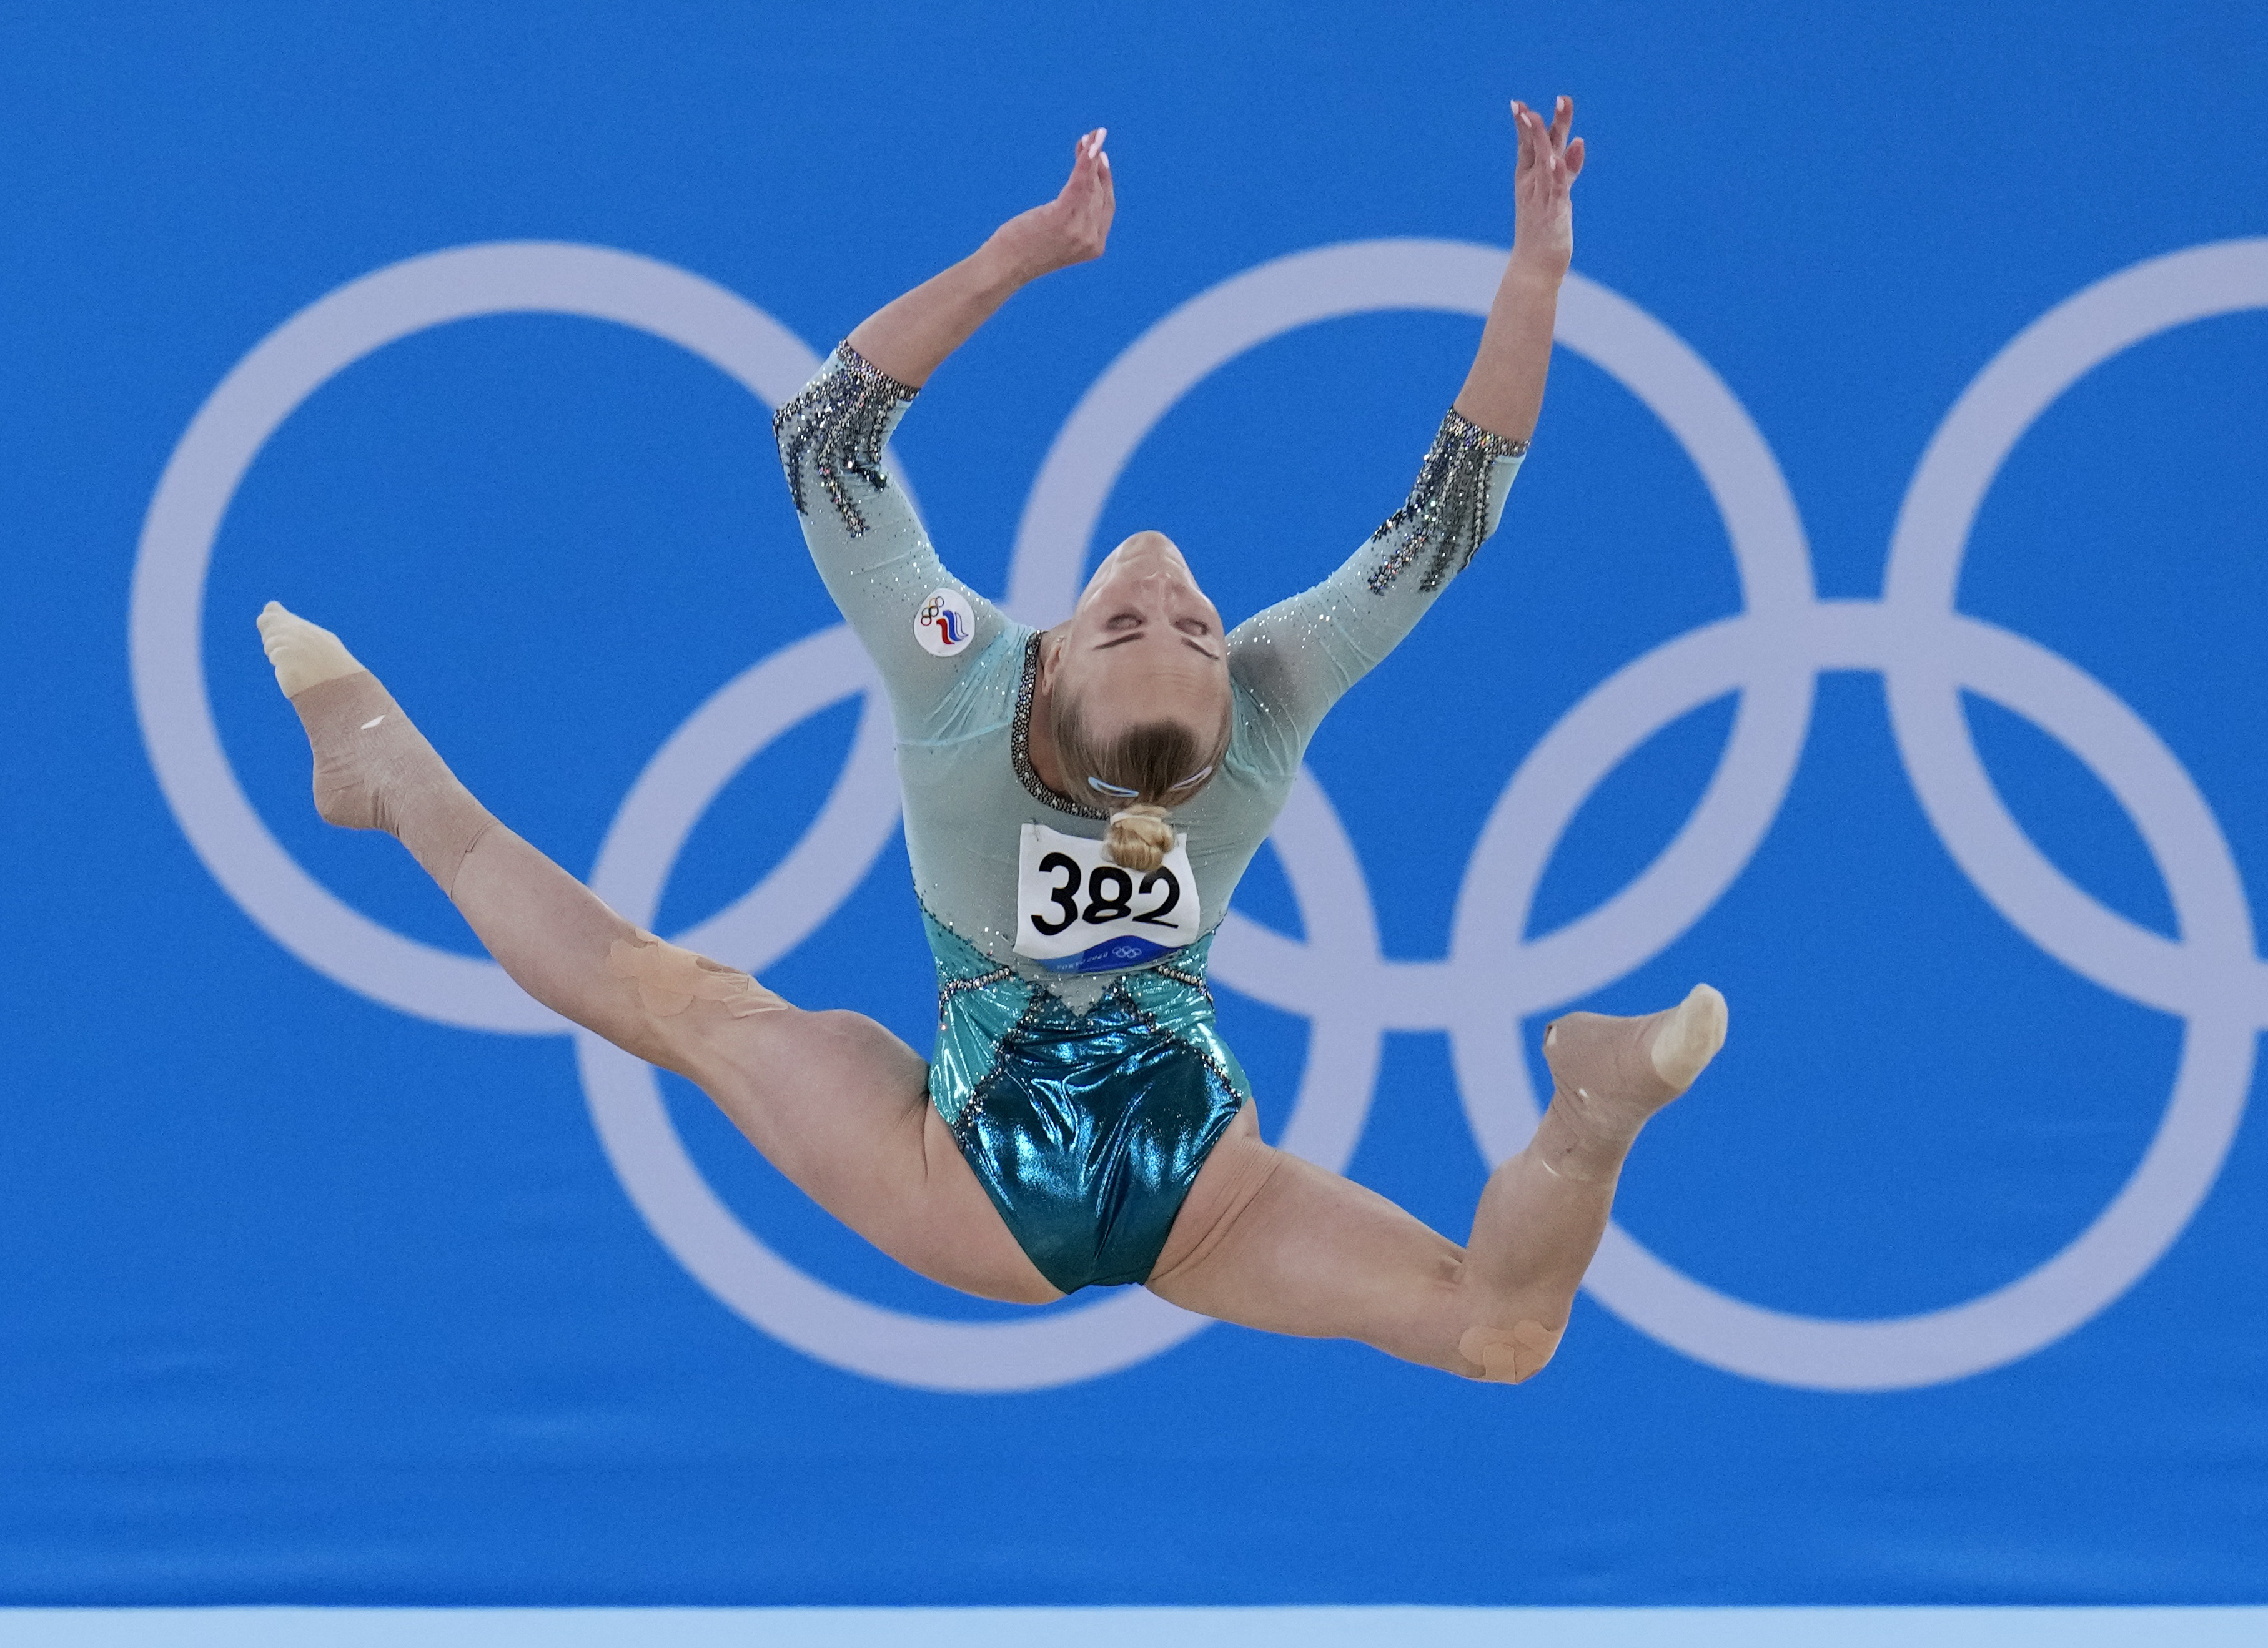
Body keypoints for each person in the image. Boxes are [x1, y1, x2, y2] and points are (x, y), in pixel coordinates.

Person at [256, 97, 1725, 1384]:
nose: (1165, 589)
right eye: (1184, 624)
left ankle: (389, 769)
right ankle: (1591, 1113)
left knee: (673, 1004)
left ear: (1057, 650)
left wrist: (1019, 258)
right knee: (1498, 1331)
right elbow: (1455, 509)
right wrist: (1536, 274)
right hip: (1194, 1180)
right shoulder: (1274, 696)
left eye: (1151, 622)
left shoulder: (964, 682)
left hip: (970, 1193)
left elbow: (825, 433)